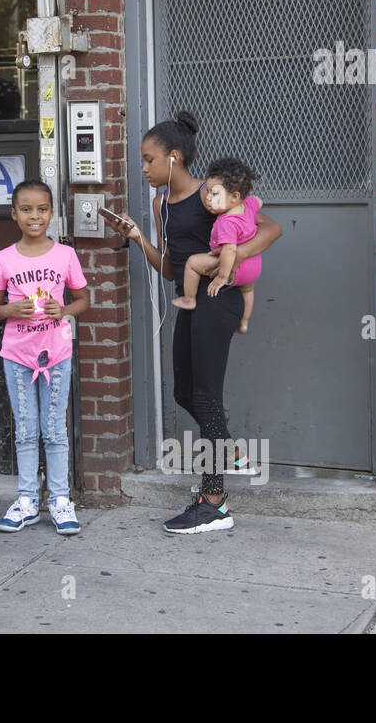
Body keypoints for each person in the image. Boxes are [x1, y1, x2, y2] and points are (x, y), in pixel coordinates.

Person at [103, 112, 281, 535]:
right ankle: (231, 449)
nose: (143, 168)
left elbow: (271, 229)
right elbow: (169, 269)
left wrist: (227, 259)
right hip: (188, 299)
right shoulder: (160, 203)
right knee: (185, 390)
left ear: (174, 157)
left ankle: (214, 501)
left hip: (219, 299)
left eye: (149, 160)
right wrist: (138, 238)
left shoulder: (212, 192)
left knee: (205, 395)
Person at [0, 180, 89, 536]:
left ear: (52, 213)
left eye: (42, 209)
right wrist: (10, 308)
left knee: (54, 430)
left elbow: (83, 300)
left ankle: (60, 499)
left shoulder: (65, 255)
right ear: (14, 214)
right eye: (26, 209)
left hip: (56, 355)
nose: (35, 216)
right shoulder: (4, 258)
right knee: (27, 431)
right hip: (17, 357)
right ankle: (27, 499)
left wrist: (62, 310)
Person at [170, 156, 263, 334]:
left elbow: (230, 249)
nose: (208, 199)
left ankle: (189, 299)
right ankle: (244, 322)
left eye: (214, 194)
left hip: (234, 269)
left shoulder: (227, 222)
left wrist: (221, 277)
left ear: (235, 196)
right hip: (253, 269)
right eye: (208, 192)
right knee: (248, 291)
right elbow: (258, 201)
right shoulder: (249, 205)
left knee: (192, 263)